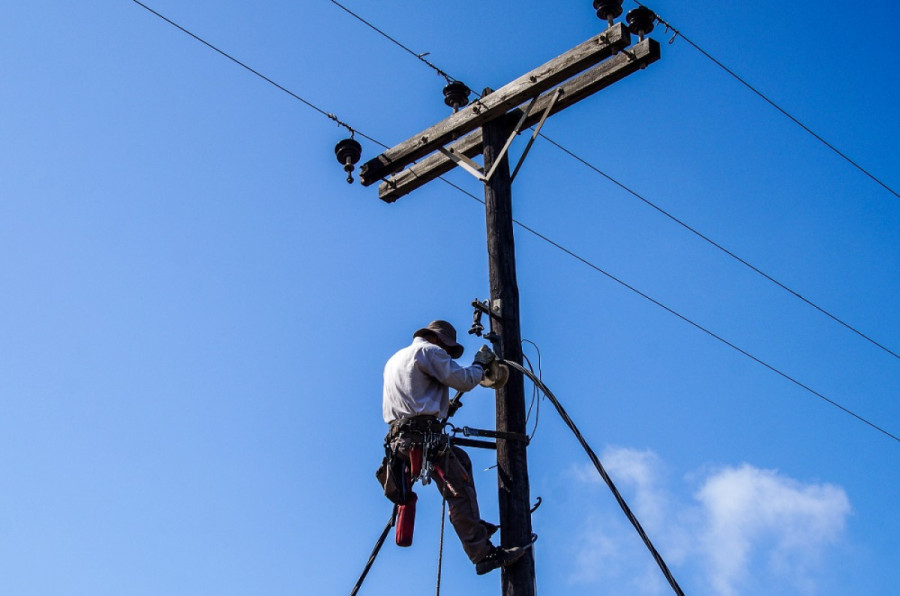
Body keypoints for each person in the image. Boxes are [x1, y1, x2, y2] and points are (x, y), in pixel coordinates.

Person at [382, 320, 529, 575]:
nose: (448, 356)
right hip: (422, 438)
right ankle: (482, 554)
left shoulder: (396, 358)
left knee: (461, 460)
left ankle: (473, 522)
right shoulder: (430, 351)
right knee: (458, 491)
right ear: (438, 339)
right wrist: (480, 364)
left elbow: (414, 394)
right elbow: (463, 379)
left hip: (400, 440)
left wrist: (442, 406)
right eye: (448, 350)